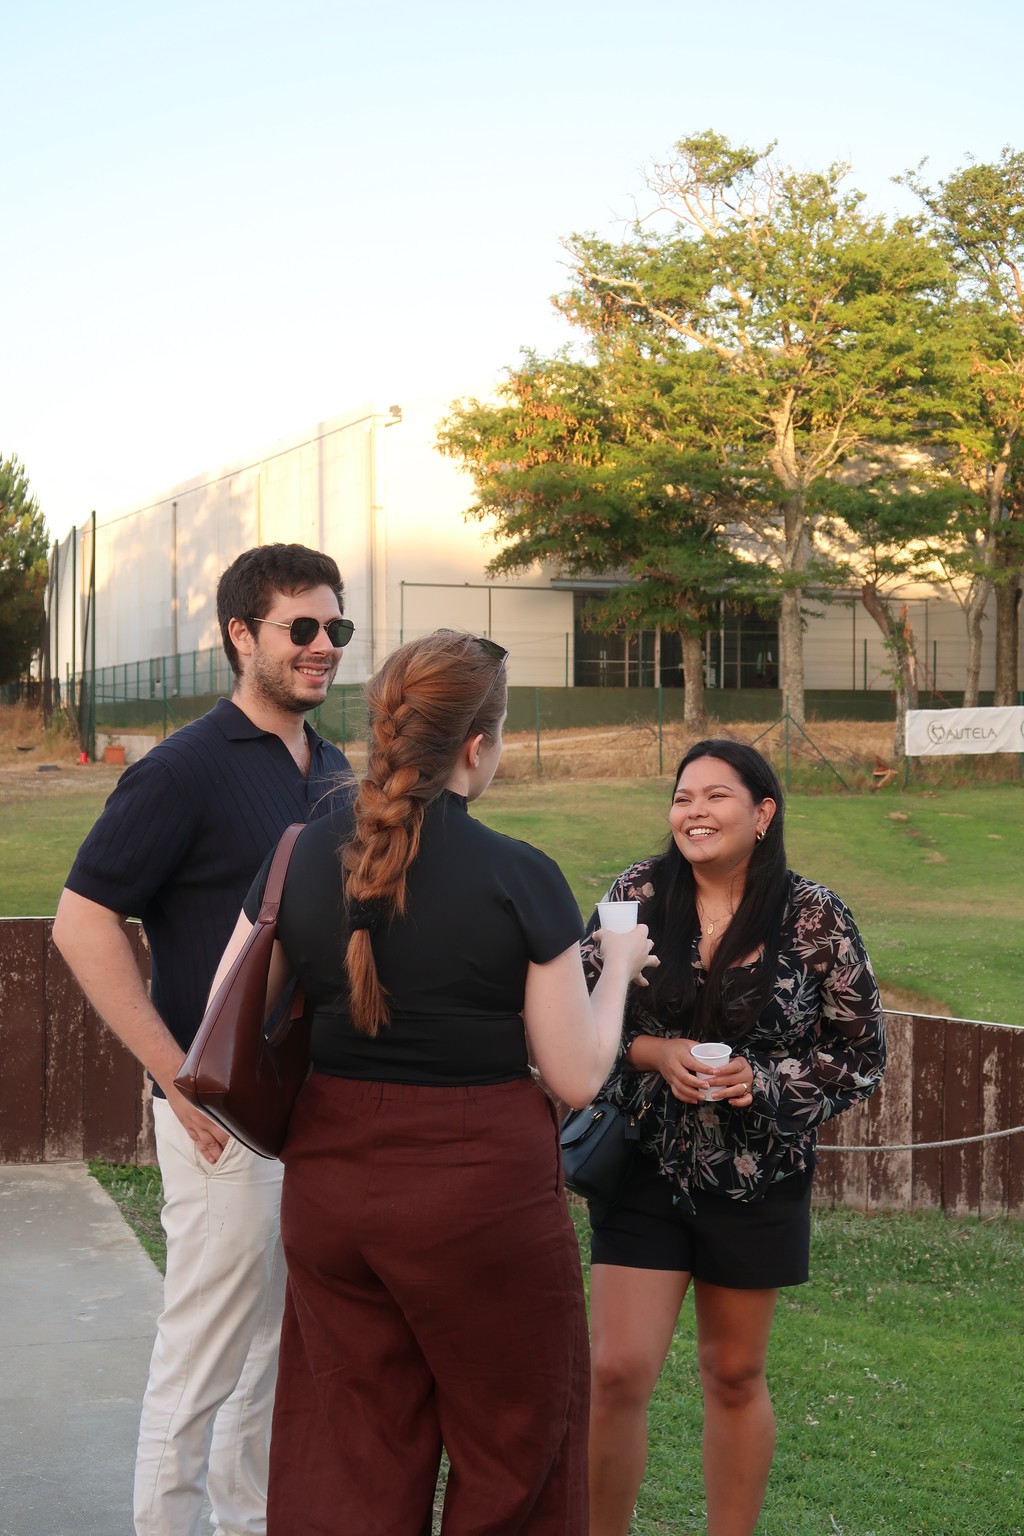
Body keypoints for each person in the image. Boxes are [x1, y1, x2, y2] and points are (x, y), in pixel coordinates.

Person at [210, 628, 657, 1536]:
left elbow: (226, 1003)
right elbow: (575, 1076)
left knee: (350, 1447)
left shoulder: (298, 853)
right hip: (476, 1192)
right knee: (515, 1444)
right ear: (477, 746)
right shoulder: (518, 874)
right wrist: (615, 964)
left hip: (331, 1187)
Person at [52, 544, 355, 1536]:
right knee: (203, 1361)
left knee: (273, 1359)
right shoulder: (181, 770)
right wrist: (173, 1075)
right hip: (220, 1114)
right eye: (300, 629)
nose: (322, 648)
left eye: (335, 630)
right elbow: (82, 921)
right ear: (240, 636)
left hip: (314, 1112)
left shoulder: (338, 769)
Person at [582, 739, 886, 1536]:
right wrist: (655, 1053)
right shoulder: (635, 895)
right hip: (643, 1166)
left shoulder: (814, 914)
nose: (694, 812)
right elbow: (575, 1024)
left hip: (759, 1175)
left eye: (716, 797)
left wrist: (764, 1083)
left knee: (734, 1371)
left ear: (763, 813)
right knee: (614, 1371)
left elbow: (862, 1054)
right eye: (683, 797)